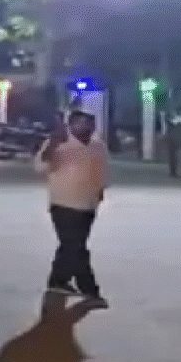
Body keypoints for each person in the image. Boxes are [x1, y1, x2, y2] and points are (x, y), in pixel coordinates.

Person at [37, 111, 108, 306]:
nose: (88, 128)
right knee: (76, 247)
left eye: (90, 124)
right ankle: (90, 289)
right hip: (63, 203)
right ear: (71, 125)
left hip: (88, 204)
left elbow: (103, 170)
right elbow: (41, 167)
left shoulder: (98, 146)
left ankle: (58, 280)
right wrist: (52, 144)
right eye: (82, 124)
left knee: (71, 245)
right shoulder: (58, 144)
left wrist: (100, 191)